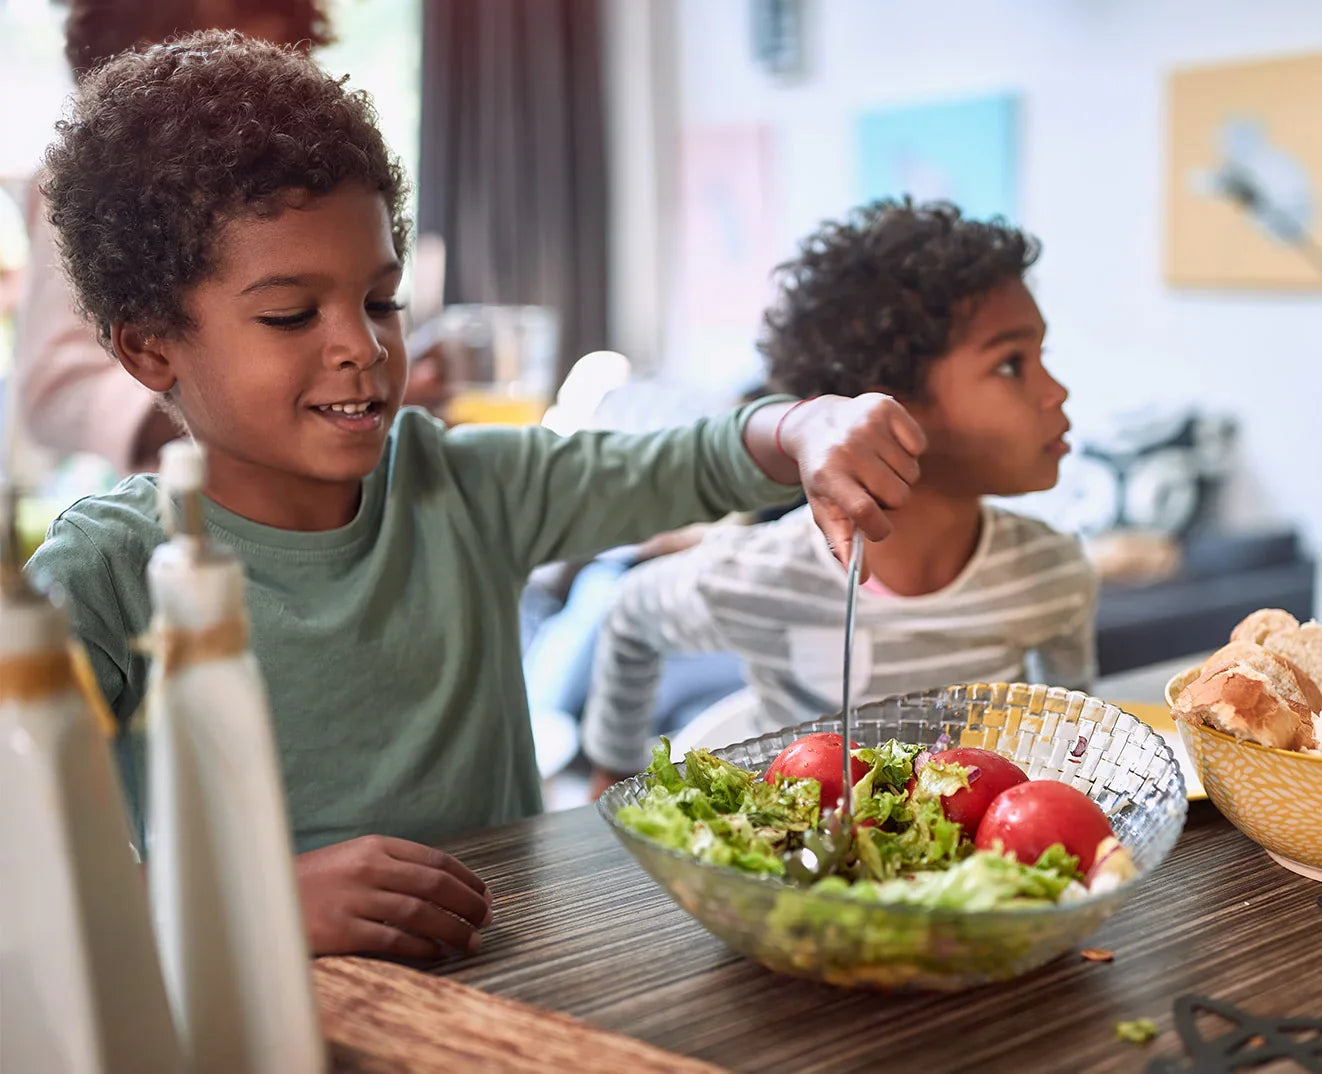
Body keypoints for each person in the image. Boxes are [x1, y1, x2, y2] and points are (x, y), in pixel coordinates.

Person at [25, 34, 924, 960]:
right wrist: (252, 903)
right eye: (291, 314)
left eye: (380, 301)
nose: (362, 348)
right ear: (149, 349)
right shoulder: (109, 570)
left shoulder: (466, 486)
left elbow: (694, 461)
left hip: (516, 980)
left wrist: (809, 425)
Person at [583, 200, 1097, 795]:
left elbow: (1077, 751)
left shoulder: (1054, 572)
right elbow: (629, 617)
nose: (1056, 391)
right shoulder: (756, 576)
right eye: (1012, 364)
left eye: (1042, 357)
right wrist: (611, 770)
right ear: (884, 409)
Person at [11, 0, 449, 477]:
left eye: (381, 303)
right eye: (289, 316)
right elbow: (50, 393)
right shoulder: (108, 188)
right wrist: (233, 389)